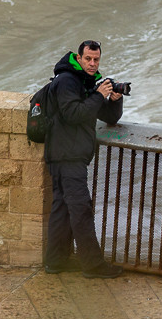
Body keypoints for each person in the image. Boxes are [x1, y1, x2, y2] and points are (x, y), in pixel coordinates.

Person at [43, 40, 125, 279]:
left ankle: (55, 262)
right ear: (78, 58)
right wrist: (99, 95)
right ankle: (93, 265)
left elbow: (108, 116)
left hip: (67, 155)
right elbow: (73, 114)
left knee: (62, 209)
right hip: (67, 156)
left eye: (96, 59)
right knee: (81, 210)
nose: (92, 64)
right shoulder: (67, 81)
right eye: (88, 59)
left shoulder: (85, 82)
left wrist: (114, 99)